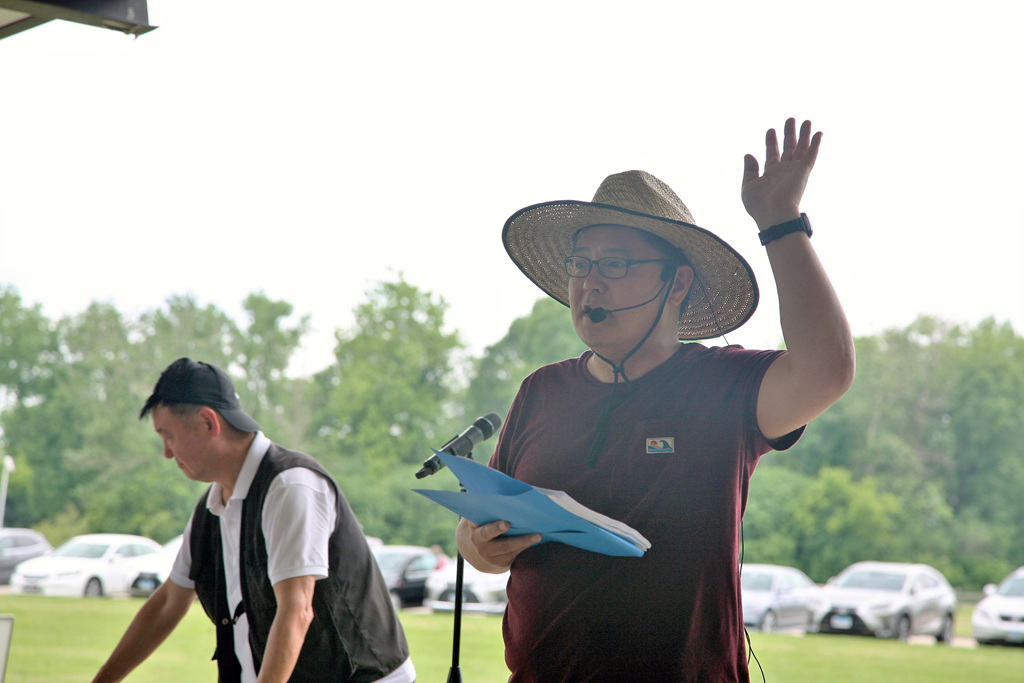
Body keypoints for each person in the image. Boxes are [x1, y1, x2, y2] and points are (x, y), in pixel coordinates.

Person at [457, 119, 855, 682]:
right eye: (580, 264)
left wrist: (780, 222)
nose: (590, 283)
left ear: (679, 283)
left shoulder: (721, 385)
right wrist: (480, 546)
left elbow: (827, 371)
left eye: (615, 264)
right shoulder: (541, 390)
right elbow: (477, 531)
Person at [93, 358, 415, 683]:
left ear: (208, 422)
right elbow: (168, 603)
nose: (166, 452)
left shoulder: (291, 485)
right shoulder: (211, 508)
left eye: (169, 436)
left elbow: (296, 610)